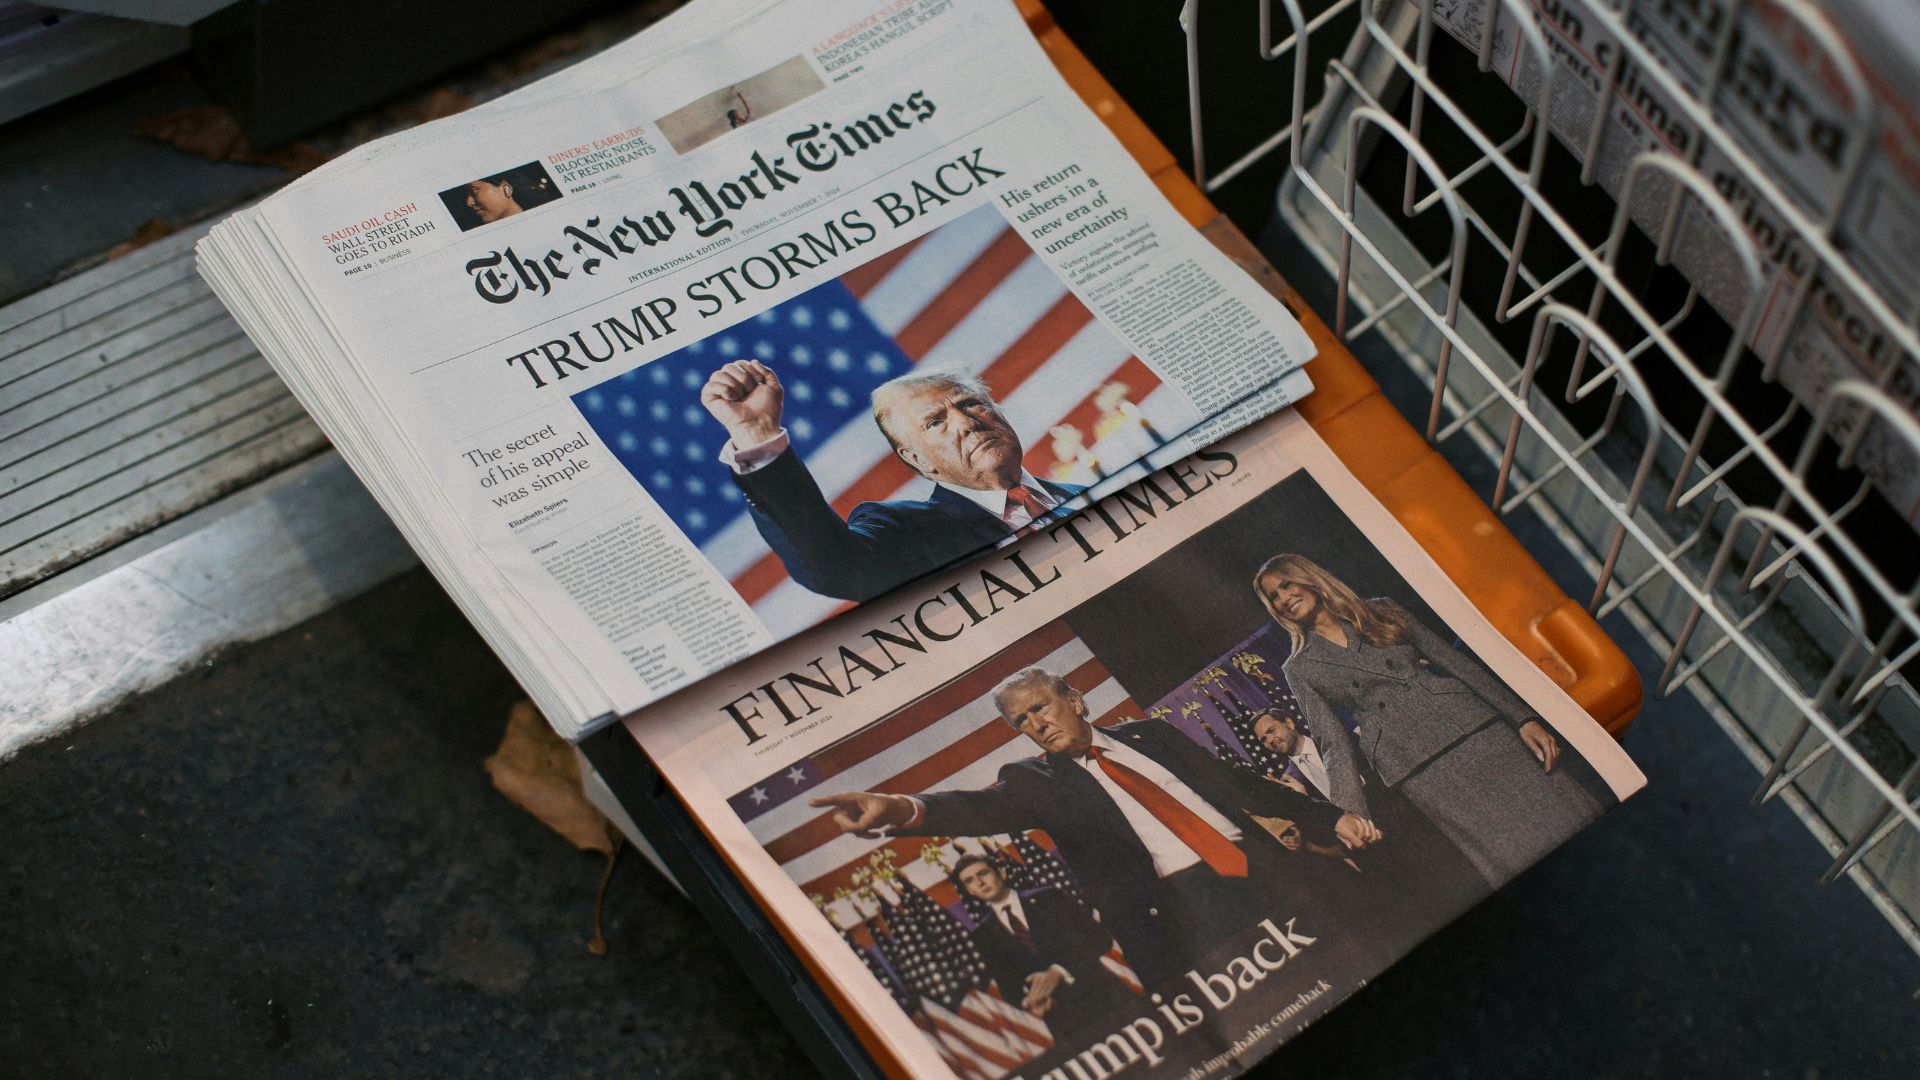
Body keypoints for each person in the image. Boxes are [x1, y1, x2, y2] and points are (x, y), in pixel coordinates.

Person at [809, 667, 1383, 987]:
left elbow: (1245, 788)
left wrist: (1333, 814)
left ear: (1075, 701)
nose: (1036, 724)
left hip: (1264, 868)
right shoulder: (1033, 779)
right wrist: (901, 809)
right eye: (1023, 720)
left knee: (1356, 966)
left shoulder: (1150, 736)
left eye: (1042, 707)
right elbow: (981, 810)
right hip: (1182, 908)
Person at [1253, 553, 1603, 888]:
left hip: (1473, 729)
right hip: (1416, 763)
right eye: (1274, 597)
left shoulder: (1380, 609)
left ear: (1309, 580)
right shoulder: (1298, 668)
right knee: (1511, 851)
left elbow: (1456, 664)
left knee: (1561, 814)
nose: (1283, 598)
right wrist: (1351, 811)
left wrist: (1522, 718)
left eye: (1286, 585)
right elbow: (1333, 743)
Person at [701, 363, 1086, 601]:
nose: (967, 423)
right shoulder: (906, 530)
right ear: (917, 460)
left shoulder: (1082, 494)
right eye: (935, 422)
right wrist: (758, 437)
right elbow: (836, 568)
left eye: (970, 403)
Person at [952, 855, 1134, 1038]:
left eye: (983, 873)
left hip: (1106, 996)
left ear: (1002, 873)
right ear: (970, 891)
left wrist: (1058, 971)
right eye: (970, 881)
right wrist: (1031, 998)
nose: (980, 882)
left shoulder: (1049, 897)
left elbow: (1099, 937)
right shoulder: (983, 936)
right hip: (1063, 1021)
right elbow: (1008, 986)